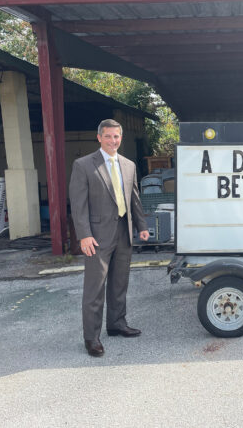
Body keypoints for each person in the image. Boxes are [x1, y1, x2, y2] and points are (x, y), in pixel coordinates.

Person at [69, 119, 149, 357]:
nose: (113, 141)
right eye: (108, 136)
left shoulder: (128, 165)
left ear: (120, 138)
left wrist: (142, 226)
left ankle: (117, 324)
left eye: (116, 137)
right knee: (94, 289)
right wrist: (84, 235)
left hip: (124, 232)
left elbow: (133, 197)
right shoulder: (83, 165)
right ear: (99, 138)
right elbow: (78, 204)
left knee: (119, 283)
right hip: (97, 237)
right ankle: (91, 338)